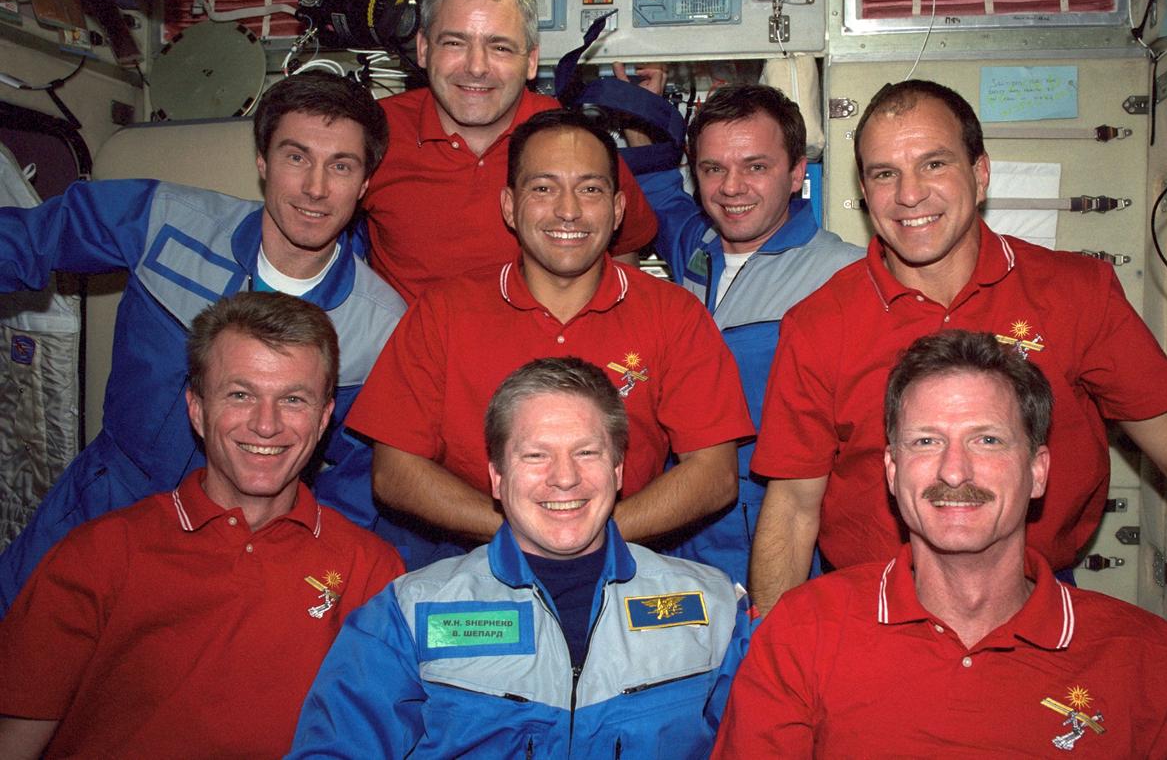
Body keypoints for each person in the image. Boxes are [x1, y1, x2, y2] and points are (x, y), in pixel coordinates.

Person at [748, 79, 1167, 615]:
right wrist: (770, 652)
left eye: (934, 164)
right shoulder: (818, 324)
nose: (909, 195)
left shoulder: (1076, 293)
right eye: (885, 173)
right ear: (865, 190)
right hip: (875, 608)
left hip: (1031, 599)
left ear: (980, 174)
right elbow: (792, 509)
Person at [714, 330, 1167, 757]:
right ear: (892, 471)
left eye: (987, 440)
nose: (954, 471)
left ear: (1038, 471)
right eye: (927, 441)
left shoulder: (1150, 663)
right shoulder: (801, 635)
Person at [0, 71, 406, 614]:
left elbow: (359, 480)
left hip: (237, 544)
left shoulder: (379, 327)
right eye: (296, 157)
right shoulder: (166, 222)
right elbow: (30, 241)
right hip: (106, 499)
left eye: (341, 166)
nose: (315, 188)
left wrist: (291, 563)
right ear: (262, 162)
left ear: (365, 183)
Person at [0, 292, 405, 759]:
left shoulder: (369, 571)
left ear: (323, 418)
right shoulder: (100, 554)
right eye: (240, 395)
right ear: (196, 409)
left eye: (293, 399)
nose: (266, 425)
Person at [348, 108, 754, 569]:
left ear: (618, 209)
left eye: (590, 189)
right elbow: (395, 473)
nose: (568, 210)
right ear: (509, 206)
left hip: (625, 565)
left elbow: (715, 475)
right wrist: (523, 535)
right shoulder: (442, 313)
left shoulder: (674, 314)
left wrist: (588, 536)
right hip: (470, 566)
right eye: (543, 188)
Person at [291, 357, 749, 758]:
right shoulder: (408, 615)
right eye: (535, 455)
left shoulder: (714, 608)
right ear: (497, 477)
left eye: (586, 452)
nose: (564, 478)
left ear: (617, 471)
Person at [617, 76, 863, 584]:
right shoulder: (698, 248)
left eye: (756, 167)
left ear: (796, 173)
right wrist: (642, 110)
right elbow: (659, 193)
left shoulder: (846, 277)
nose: (731, 188)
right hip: (680, 524)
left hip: (778, 534)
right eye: (713, 168)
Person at [362, 0, 658, 300]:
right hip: (414, 335)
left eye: (500, 47)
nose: (476, 67)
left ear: (531, 60)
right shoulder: (373, 133)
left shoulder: (577, 145)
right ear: (424, 49)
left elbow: (624, 250)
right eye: (455, 43)